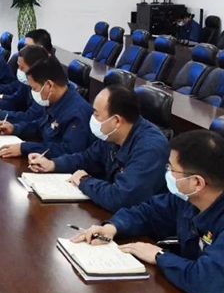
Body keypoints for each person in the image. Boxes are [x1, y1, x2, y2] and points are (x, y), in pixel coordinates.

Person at [72, 130, 224, 293]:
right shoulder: (193, 196)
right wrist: (112, 227)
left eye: (171, 168)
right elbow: (150, 212)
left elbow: (209, 281)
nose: (166, 173)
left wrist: (159, 256)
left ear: (197, 182)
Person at [27, 86, 169, 212]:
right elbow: (87, 158)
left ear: (116, 121)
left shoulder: (150, 149)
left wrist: (84, 181)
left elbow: (121, 198)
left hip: (143, 225)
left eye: (96, 114)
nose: (92, 118)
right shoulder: (112, 135)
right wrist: (53, 164)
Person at [0, 55, 93, 159]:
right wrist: (15, 128)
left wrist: (24, 148)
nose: (32, 92)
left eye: (34, 88)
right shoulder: (54, 100)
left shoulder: (77, 113)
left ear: (49, 85)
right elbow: (41, 126)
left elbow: (68, 151)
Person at [0, 44, 48, 126]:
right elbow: (14, 101)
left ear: (34, 68)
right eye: (18, 67)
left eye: (22, 68)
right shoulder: (26, 82)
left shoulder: (45, 87)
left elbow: (30, 117)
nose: (19, 70)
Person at [0, 28, 53, 97]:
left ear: (41, 49)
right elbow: (15, 88)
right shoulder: (32, 68)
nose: (25, 50)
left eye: (28, 47)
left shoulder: (49, 77)